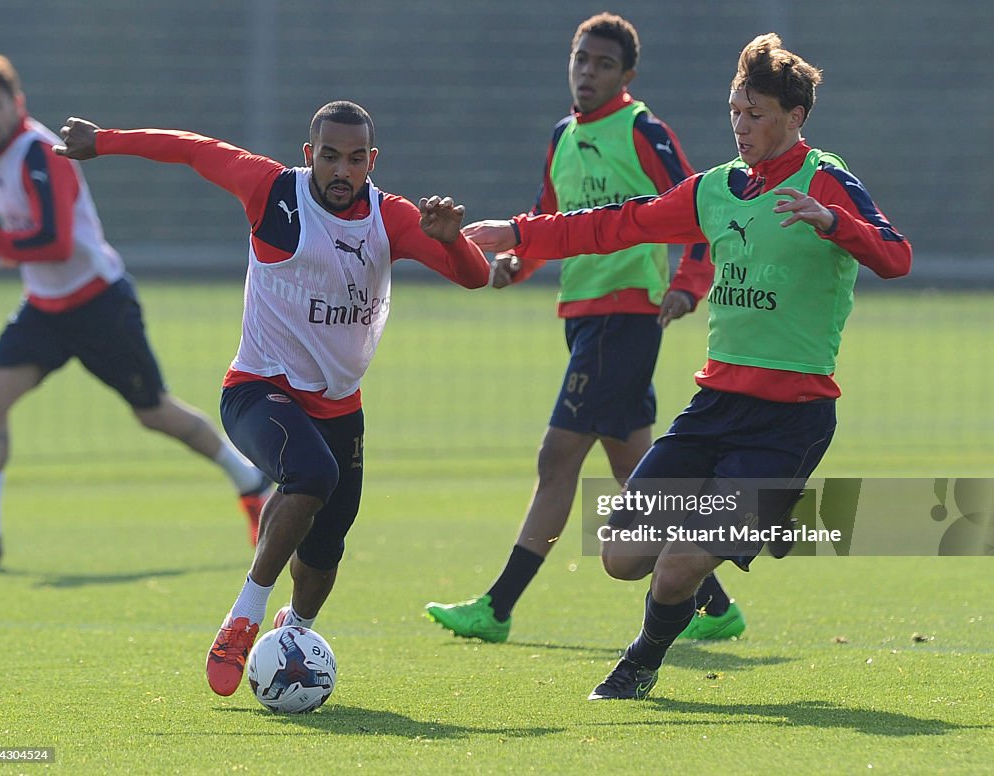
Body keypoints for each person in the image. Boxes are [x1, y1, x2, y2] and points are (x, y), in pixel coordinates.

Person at [463, 33, 911, 699]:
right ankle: (765, 513)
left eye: (756, 114)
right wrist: (524, 234)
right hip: (713, 410)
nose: (741, 126)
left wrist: (832, 222)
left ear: (795, 118)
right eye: (735, 110)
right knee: (620, 556)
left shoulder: (826, 179)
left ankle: (640, 662)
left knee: (675, 571)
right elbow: (619, 223)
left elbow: (896, 256)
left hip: (789, 419)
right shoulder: (716, 190)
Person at [55, 100, 491, 696]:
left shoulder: (391, 218)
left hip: (340, 406)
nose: (342, 170)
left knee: (326, 550)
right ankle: (243, 618)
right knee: (311, 474)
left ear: (372, 160)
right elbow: (191, 147)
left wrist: (453, 242)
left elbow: (474, 277)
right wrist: (104, 141)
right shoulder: (271, 191)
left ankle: (295, 631)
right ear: (309, 155)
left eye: (356, 158)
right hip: (258, 389)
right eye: (330, 157)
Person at [425, 12, 744, 644]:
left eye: (602, 64)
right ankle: (715, 606)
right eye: (580, 60)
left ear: (626, 75)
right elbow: (549, 221)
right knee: (634, 472)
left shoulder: (642, 129)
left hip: (625, 319)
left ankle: (498, 606)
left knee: (557, 458)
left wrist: (687, 285)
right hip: (583, 318)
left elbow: (697, 209)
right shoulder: (561, 137)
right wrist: (515, 268)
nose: (587, 73)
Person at [0, 54, 272, 564]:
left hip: (98, 304)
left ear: (17, 105)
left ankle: (250, 479)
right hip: (44, 309)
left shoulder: (39, 151)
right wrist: (7, 246)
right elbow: (35, 243)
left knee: (154, 412)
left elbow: (56, 241)